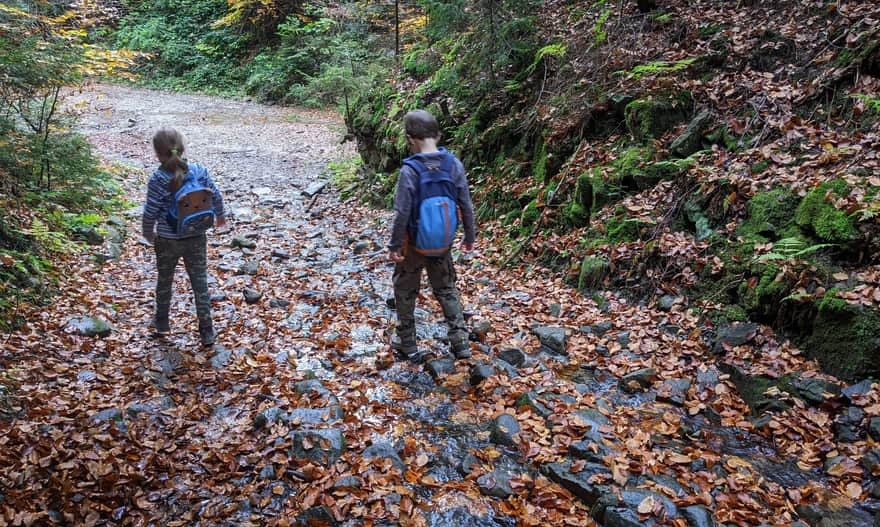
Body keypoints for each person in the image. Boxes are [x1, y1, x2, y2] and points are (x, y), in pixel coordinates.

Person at [388, 110, 476, 361]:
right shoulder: (453, 164)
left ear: (410, 139)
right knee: (446, 289)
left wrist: (395, 245)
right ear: (438, 135)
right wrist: (469, 236)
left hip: (413, 245)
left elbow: (402, 212)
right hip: (442, 243)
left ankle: (408, 344)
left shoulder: (410, 170)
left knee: (405, 290)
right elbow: (466, 204)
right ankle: (460, 343)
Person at [142, 128, 226, 347]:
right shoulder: (198, 170)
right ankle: (206, 329)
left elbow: (151, 211)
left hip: (167, 240)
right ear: (182, 147)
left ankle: (161, 324)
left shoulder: (158, 178)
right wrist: (220, 217)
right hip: (196, 236)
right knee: (200, 283)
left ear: (158, 154)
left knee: (164, 282)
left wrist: (147, 232)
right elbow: (215, 194)